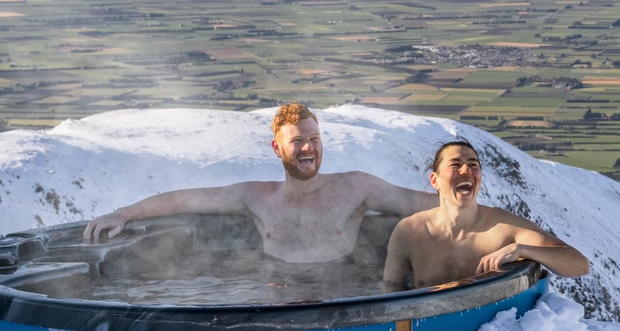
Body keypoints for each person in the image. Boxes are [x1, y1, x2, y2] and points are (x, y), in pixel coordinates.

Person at [82, 103, 436, 262]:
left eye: (314, 138)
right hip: (275, 293)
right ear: (277, 148)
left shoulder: (356, 188)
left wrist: (489, 232)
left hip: (342, 293)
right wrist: (125, 213)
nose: (308, 147)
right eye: (297, 141)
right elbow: (186, 200)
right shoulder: (256, 196)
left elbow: (423, 205)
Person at [382, 139, 590, 288]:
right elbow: (390, 291)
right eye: (456, 165)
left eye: (473, 165)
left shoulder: (504, 228)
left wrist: (522, 249)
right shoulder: (410, 231)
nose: (466, 171)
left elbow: (579, 265)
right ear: (434, 180)